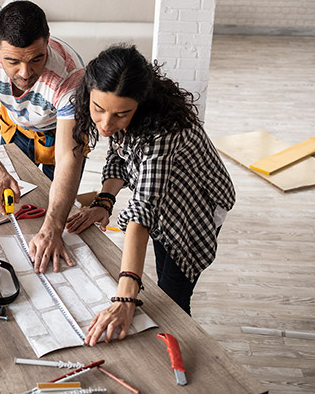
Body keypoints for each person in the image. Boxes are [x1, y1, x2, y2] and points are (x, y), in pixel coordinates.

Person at [66, 45, 236, 346]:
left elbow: (143, 210)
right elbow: (120, 157)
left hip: (196, 204)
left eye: (120, 115)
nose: (105, 125)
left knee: (173, 297)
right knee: (161, 264)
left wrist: (124, 297)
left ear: (140, 105)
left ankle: (184, 353)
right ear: (89, 93)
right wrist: (104, 201)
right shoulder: (121, 115)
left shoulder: (164, 130)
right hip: (164, 199)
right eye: (98, 110)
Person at [0, 0, 85, 273]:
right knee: (17, 205)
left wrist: (54, 227)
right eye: (13, 61)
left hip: (59, 133)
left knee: (55, 213)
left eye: (36, 59)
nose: (25, 73)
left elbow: (69, 157)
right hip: (15, 125)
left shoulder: (71, 75)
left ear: (48, 43)